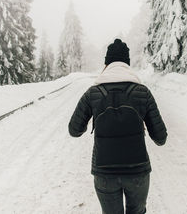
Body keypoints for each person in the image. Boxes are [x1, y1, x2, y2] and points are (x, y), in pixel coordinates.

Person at [68, 38, 168, 214]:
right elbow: (161, 138)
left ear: (107, 64)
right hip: (138, 172)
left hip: (104, 172)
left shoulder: (92, 93)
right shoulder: (142, 92)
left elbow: (74, 130)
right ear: (127, 64)